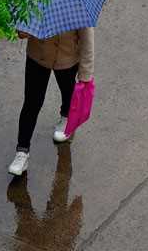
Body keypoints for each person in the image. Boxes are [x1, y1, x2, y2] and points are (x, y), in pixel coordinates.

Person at [8, 27, 94, 176]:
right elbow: (21, 28)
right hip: (38, 57)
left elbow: (87, 42)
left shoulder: (76, 5)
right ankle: (22, 152)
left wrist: (85, 74)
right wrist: (23, 31)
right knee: (31, 104)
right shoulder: (36, 2)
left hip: (67, 58)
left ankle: (66, 116)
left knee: (68, 92)